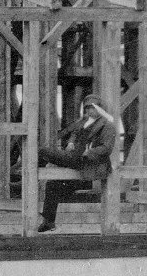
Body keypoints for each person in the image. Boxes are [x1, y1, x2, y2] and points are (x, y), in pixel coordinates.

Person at [36, 95, 120, 232]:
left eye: (93, 108)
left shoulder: (107, 126)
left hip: (90, 164)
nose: (90, 111)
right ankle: (48, 221)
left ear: (99, 109)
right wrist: (70, 142)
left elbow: (106, 148)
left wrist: (89, 152)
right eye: (87, 108)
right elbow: (75, 133)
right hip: (76, 160)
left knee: (43, 152)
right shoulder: (85, 122)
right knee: (52, 184)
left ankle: (33, 178)